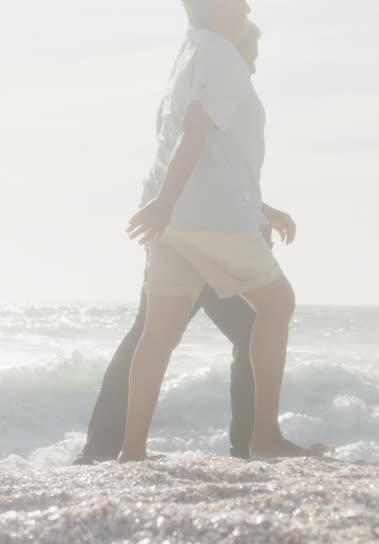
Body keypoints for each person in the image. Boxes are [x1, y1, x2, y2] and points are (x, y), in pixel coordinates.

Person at [120, 0, 319, 461]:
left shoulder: (189, 51)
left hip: (174, 218)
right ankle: (265, 437)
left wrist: (169, 208)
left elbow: (213, 153)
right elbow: (195, 132)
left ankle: (131, 450)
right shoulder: (224, 57)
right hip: (206, 215)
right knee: (277, 304)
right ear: (217, 1)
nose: (248, 7)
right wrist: (167, 204)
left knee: (159, 331)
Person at [72, 24, 281, 464]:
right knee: (257, 320)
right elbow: (206, 170)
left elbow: (216, 172)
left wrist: (262, 211)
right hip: (199, 234)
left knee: (149, 334)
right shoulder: (216, 85)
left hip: (178, 227)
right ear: (231, 48)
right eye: (251, 55)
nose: (254, 65)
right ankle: (251, 443)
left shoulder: (190, 85)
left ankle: (108, 448)